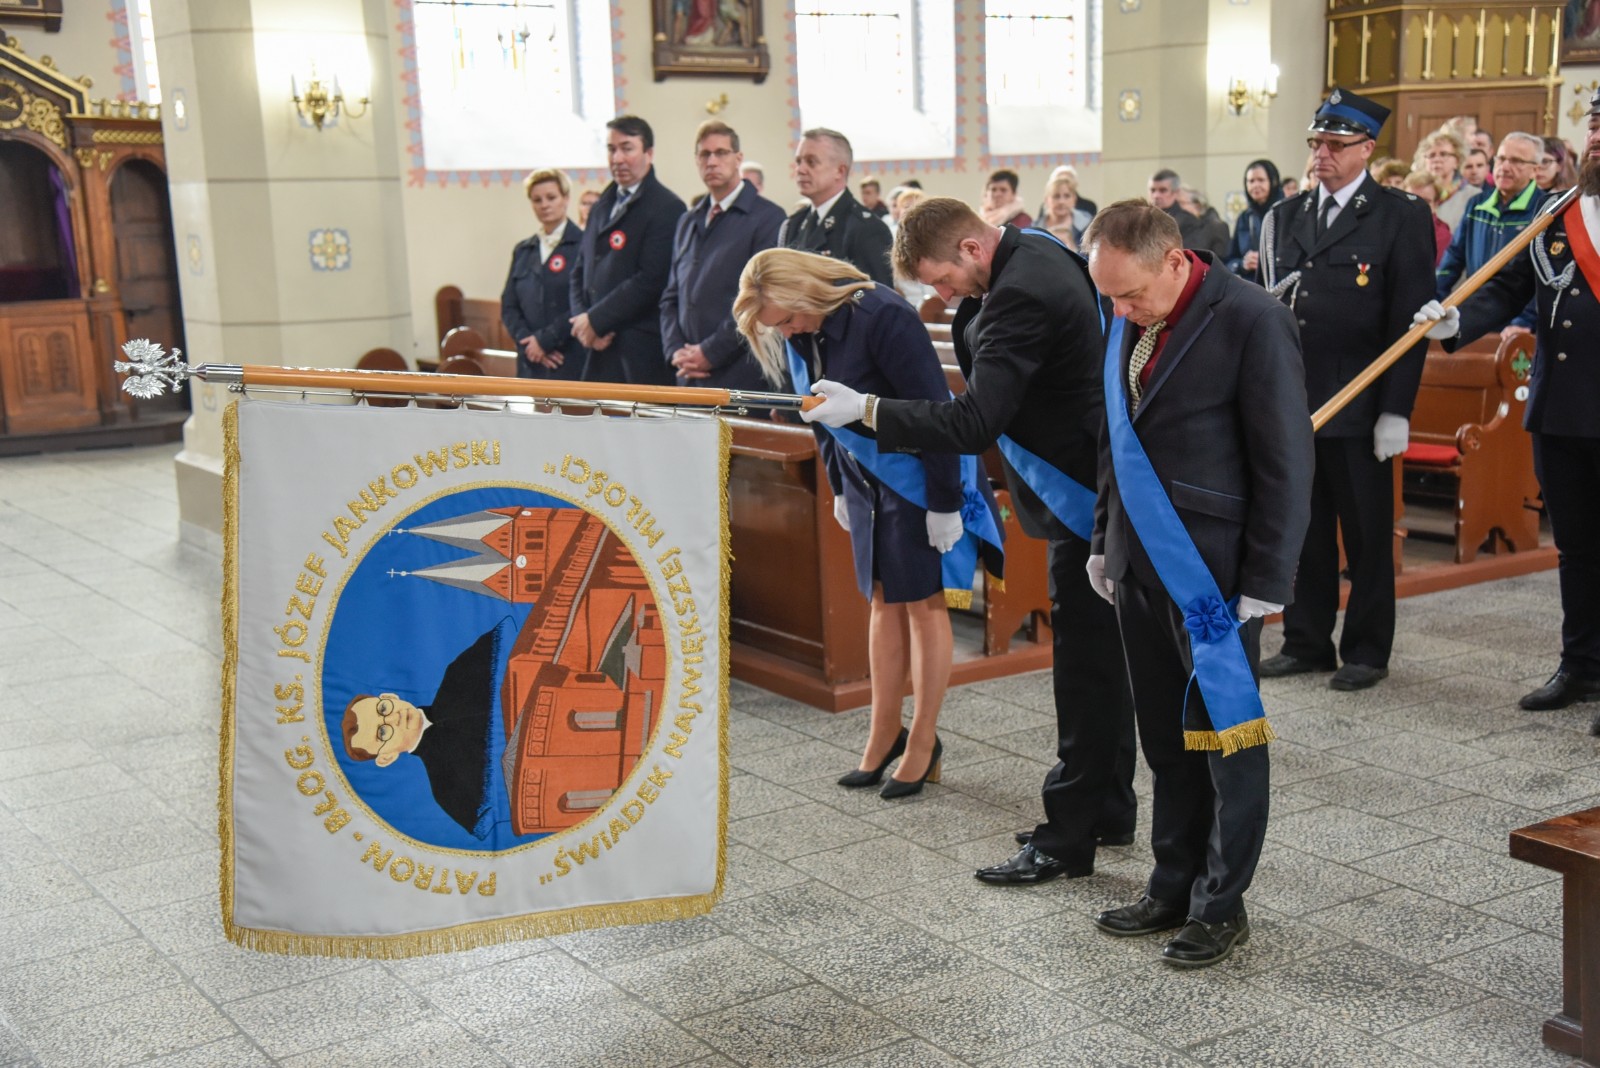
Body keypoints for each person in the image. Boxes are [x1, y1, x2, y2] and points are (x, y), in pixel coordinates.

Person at [800, 196, 1139, 885]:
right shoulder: (1034, 250)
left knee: (1084, 669)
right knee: (1101, 661)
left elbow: (973, 425)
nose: (945, 295)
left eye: (944, 280)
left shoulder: (1021, 292)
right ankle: (1107, 809)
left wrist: (865, 410)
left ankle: (1067, 837)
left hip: (1082, 490)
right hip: (1090, 475)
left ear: (972, 249)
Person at [1083, 200, 1313, 968]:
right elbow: (1114, 437)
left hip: (1213, 575)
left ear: (1176, 261)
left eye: (1129, 295)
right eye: (1110, 298)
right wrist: (1101, 540)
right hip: (1136, 563)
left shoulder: (1253, 319)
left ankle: (1221, 905)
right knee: (1164, 739)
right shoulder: (1128, 312)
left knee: (1226, 744)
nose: (1120, 311)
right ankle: (1172, 884)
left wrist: (1268, 577)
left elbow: (1286, 459)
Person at [733, 248, 981, 798]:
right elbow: (818, 413)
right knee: (881, 600)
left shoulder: (883, 316)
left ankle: (923, 741)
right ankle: (883, 732)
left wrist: (944, 501)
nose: (788, 331)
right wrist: (840, 487)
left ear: (805, 292)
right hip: (863, 480)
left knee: (923, 605)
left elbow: (937, 411)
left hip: (915, 475)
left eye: (787, 318)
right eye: (779, 326)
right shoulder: (805, 330)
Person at [1413, 87, 1600, 714]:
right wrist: (1456, 320)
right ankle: (1581, 666)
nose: (1597, 138)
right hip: (1562, 406)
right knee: (1577, 547)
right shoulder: (1557, 210)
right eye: (1594, 127)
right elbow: (1509, 285)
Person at [1259, 87, 1437, 692]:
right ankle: (1306, 641)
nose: (1322, 154)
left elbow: (1409, 320)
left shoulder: (1399, 215)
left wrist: (1396, 411)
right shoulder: (1284, 217)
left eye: (1336, 144)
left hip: (1361, 405)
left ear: (1367, 148)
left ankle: (1366, 649)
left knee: (1366, 537)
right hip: (1298, 404)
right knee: (1304, 532)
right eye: (1316, 143)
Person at [660, 120, 785, 391]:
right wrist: (676, 351)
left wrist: (710, 352)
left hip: (740, 373)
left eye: (721, 153)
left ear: (738, 158)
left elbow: (759, 299)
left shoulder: (768, 218)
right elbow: (671, 296)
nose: (712, 162)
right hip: (688, 374)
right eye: (704, 154)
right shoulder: (687, 221)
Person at [341, 627, 500, 838]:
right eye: (382, 732)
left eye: (383, 709)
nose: (394, 718)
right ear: (387, 757)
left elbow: (517, 631)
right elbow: (498, 829)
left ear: (390, 697)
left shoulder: (460, 671)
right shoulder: (447, 790)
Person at [570, 115, 687, 385]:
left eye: (627, 148)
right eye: (611, 149)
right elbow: (580, 269)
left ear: (649, 153)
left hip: (638, 349)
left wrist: (596, 320)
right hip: (596, 345)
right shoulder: (601, 205)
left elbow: (651, 279)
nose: (617, 158)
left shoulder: (667, 206)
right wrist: (582, 322)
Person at [1436, 132, 1548, 340]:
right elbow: (1454, 257)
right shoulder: (1477, 204)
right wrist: (1435, 301)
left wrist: (1525, 321)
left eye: (1516, 161)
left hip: (1518, 324)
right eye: (1501, 158)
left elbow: (1544, 277)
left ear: (1534, 170)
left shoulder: (1544, 210)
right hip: (1475, 315)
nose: (1505, 167)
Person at [779, 128, 894, 286]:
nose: (800, 169)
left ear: (840, 171)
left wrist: (846, 297)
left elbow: (875, 292)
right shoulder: (793, 225)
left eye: (811, 162)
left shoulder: (865, 228)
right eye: (798, 161)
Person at [501, 168, 584, 380]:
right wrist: (529, 343)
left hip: (569, 358)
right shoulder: (523, 250)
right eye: (537, 200)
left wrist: (546, 341)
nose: (544, 205)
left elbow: (584, 301)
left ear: (566, 199)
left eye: (551, 197)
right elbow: (509, 306)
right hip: (531, 362)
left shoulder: (584, 245)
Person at [1225, 158, 1282, 284]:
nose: (1256, 185)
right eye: (1251, 181)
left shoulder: (1286, 212)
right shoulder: (1245, 218)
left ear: (1273, 182)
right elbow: (1230, 260)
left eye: (1261, 180)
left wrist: (1268, 261)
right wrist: (1243, 264)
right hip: (1252, 286)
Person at [1416, 129, 1474, 232]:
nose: (1437, 160)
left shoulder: (1472, 195)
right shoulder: (1413, 192)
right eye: (1431, 155)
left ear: (1457, 161)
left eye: (1443, 154)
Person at [1401, 169, 1453, 265]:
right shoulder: (1390, 228)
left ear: (1436, 203)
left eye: (1425, 201)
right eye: (1411, 200)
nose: (1417, 206)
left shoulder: (1442, 236)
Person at [1038, 168, 1094, 250]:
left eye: (1067, 196)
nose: (1061, 202)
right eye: (1056, 196)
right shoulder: (1034, 230)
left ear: (1074, 199)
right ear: (1046, 200)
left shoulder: (1088, 226)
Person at [1175, 185, 1230, 258]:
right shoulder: (1181, 225)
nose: (1177, 207)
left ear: (1197, 205)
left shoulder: (1217, 227)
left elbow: (1218, 260)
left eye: (1181, 203)